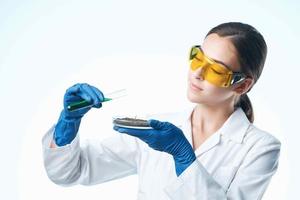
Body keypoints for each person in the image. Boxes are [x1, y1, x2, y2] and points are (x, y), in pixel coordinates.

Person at [42, 22, 281, 199]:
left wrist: (183, 157)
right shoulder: (156, 129)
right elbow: (70, 172)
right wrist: (68, 124)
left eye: (215, 69)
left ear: (242, 84)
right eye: (198, 58)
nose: (197, 73)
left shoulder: (260, 148)